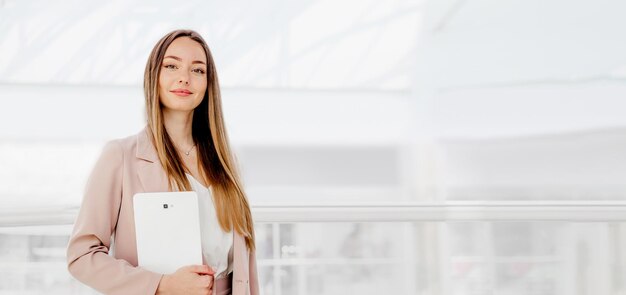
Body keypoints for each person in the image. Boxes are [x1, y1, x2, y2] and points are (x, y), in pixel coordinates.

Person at [66, 29, 259, 295]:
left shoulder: (226, 161)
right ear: (154, 76)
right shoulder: (120, 156)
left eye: (198, 70)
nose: (184, 77)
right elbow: (81, 256)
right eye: (171, 66)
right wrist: (162, 285)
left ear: (208, 84)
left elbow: (243, 267)